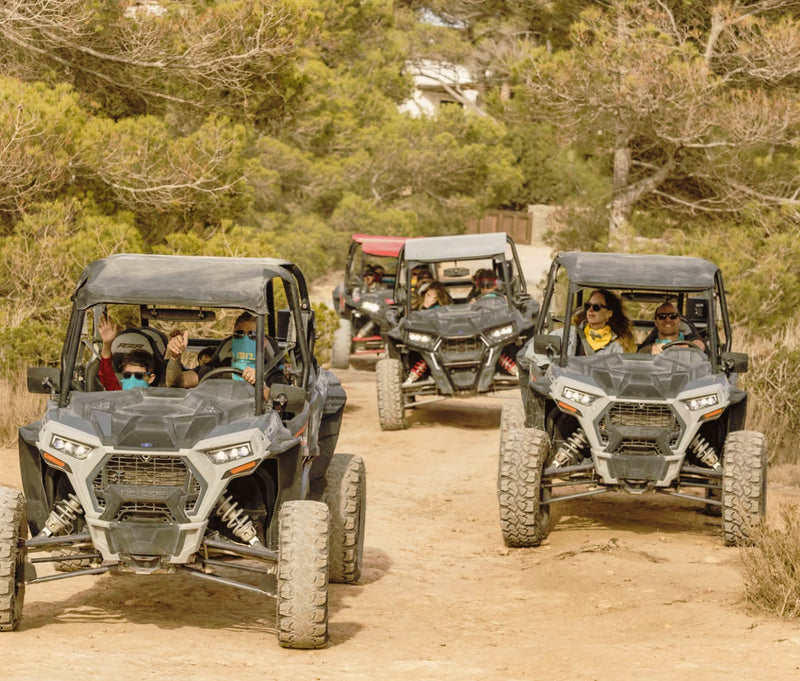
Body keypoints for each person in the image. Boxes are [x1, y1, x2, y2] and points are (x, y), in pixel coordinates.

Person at [165, 312, 286, 398]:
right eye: (239, 334)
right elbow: (176, 382)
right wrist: (175, 357)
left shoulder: (272, 374)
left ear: (263, 342)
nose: (245, 340)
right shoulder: (218, 369)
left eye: (252, 335)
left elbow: (280, 402)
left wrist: (260, 384)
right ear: (232, 339)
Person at [97, 314, 158, 390]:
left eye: (138, 376)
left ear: (150, 378)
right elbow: (105, 373)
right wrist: (107, 343)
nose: (132, 380)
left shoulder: (159, 396)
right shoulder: (117, 393)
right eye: (127, 375)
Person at [569, 289, 637, 355]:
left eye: (596, 307)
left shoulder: (617, 346)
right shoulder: (570, 334)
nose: (590, 310)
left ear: (609, 314)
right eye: (588, 306)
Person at [638, 302, 706, 355]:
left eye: (672, 316)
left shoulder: (691, 340)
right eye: (662, 316)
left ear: (679, 321)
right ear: (656, 322)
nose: (667, 320)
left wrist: (687, 347)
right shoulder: (647, 350)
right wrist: (651, 350)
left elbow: (699, 344)